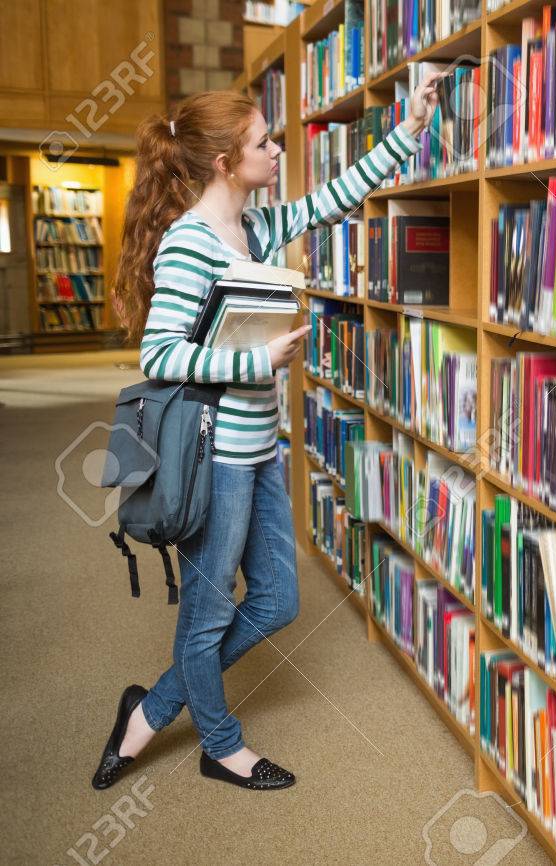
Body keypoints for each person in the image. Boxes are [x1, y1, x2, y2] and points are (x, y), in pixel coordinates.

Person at [93, 76, 439, 791]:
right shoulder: (188, 243)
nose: (277, 150)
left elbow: (333, 198)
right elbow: (159, 354)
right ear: (225, 162)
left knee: (278, 600)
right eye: (263, 142)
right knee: (206, 616)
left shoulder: (254, 227)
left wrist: (409, 128)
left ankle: (149, 710)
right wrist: (257, 361)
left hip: (262, 451)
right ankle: (220, 746)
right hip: (215, 457)